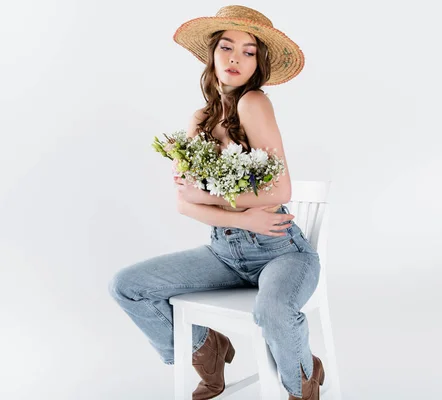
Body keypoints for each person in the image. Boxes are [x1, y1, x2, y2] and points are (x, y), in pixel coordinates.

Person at [108, 5, 324, 400]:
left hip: (280, 252)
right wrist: (242, 218)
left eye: (248, 51)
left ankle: (302, 384)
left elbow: (280, 192)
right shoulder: (199, 119)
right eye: (227, 47)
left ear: (258, 63)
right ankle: (207, 347)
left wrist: (207, 198)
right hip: (224, 252)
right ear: (212, 54)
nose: (235, 58)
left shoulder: (253, 102)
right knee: (127, 286)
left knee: (271, 312)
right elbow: (183, 204)